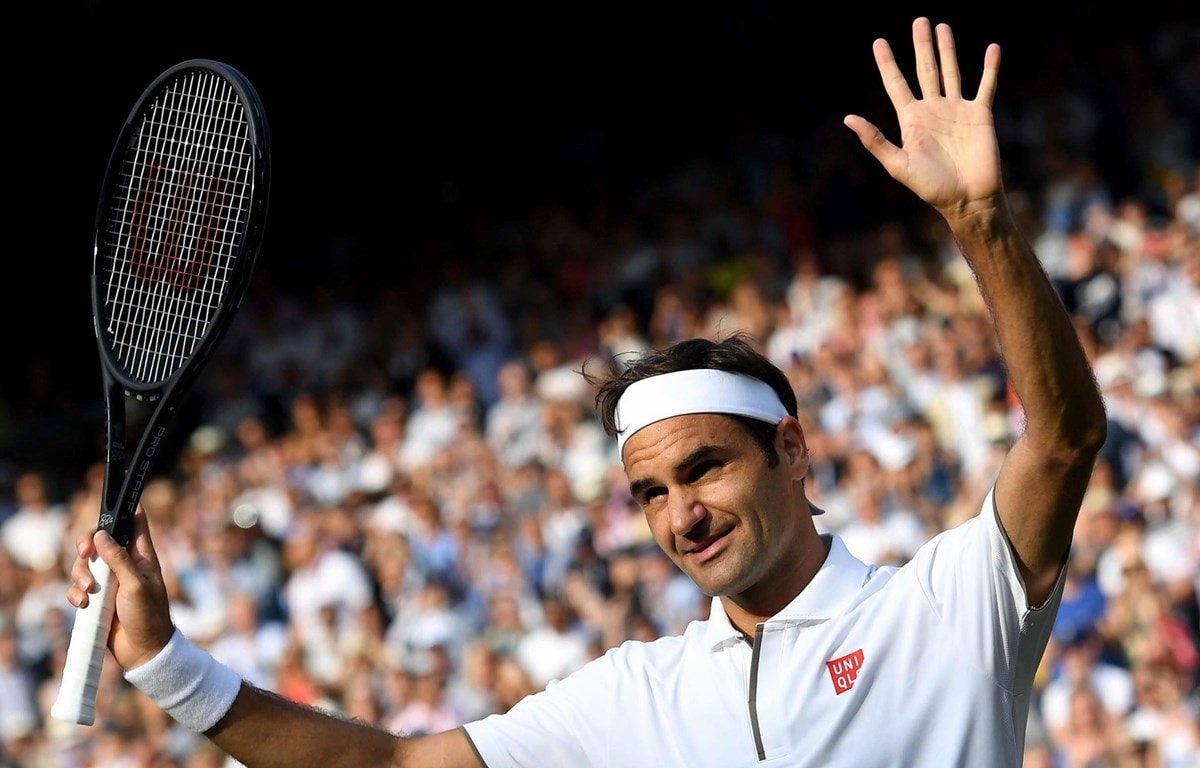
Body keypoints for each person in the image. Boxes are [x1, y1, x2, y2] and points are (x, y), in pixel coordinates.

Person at [63, 18, 1108, 767]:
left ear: (791, 451)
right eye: (650, 492)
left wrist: (980, 224)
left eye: (705, 466)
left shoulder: (947, 608)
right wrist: (163, 659)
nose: (681, 513)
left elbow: (1062, 440)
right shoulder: (635, 695)